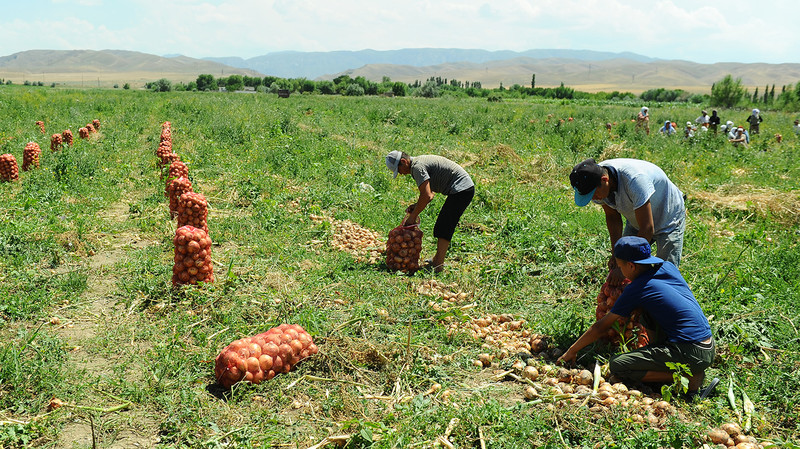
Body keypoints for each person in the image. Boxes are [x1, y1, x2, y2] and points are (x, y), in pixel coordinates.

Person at [557, 236, 717, 399]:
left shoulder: (638, 287)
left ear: (631, 266)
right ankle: (673, 366)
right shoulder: (667, 267)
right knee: (645, 311)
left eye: (620, 267)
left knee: (618, 365)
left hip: (690, 351)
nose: (620, 271)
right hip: (707, 346)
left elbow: (601, 326)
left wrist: (571, 351)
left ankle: (689, 377)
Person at [569, 158, 686, 283]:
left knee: (665, 273)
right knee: (627, 265)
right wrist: (616, 255)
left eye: (593, 194)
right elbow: (613, 217)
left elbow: (647, 228)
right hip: (638, 217)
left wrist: (625, 262)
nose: (593, 199)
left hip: (668, 218)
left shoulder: (635, 180)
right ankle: (639, 295)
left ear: (605, 180)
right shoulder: (595, 179)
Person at [385, 151, 475, 273]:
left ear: (403, 162)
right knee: (442, 225)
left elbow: (426, 196)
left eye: (399, 170)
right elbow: (430, 194)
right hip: (461, 188)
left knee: (444, 225)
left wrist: (413, 217)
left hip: (462, 189)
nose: (400, 174)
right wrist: (417, 206)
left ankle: (438, 265)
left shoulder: (417, 167)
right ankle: (437, 260)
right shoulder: (417, 164)